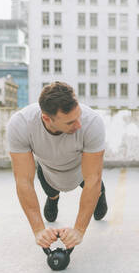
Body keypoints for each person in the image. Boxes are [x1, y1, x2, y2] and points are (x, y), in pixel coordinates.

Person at [7, 81, 107, 250]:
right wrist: (39, 230)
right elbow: (23, 181)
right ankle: (53, 197)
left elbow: (93, 179)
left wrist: (79, 231)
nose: (78, 125)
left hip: (81, 170)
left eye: (78, 116)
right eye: (70, 123)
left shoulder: (92, 122)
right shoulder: (21, 124)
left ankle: (101, 193)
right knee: (51, 196)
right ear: (47, 118)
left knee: (99, 211)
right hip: (48, 172)